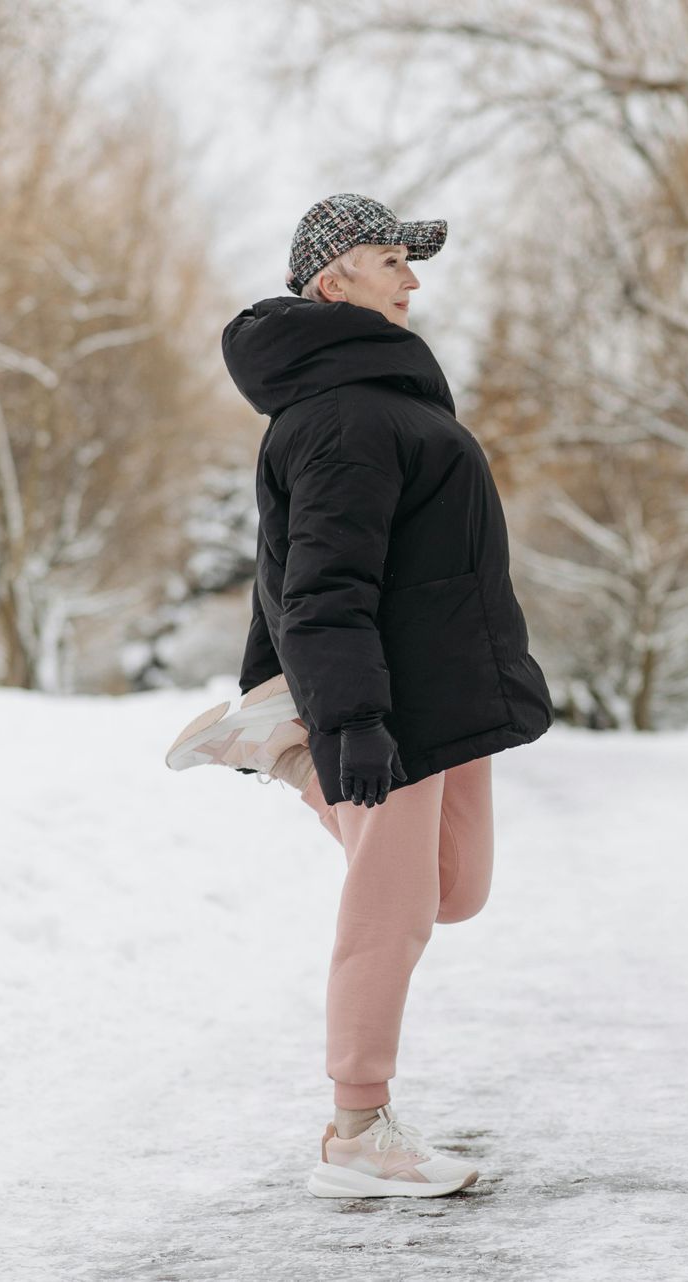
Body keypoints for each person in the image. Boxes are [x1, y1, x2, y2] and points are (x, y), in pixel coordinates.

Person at [164, 192, 553, 1200]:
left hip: (443, 686)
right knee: (393, 911)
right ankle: (357, 1129)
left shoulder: (385, 394)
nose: (411, 278)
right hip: (389, 695)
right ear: (333, 282)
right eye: (392, 260)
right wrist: (353, 719)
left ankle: (281, 748)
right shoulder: (345, 414)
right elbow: (322, 588)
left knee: (455, 889)